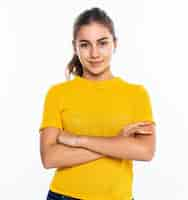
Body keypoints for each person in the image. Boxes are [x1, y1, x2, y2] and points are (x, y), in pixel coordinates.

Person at [39, 7, 157, 200]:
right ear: (74, 47)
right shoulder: (57, 93)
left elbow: (145, 151)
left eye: (102, 43)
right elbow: (50, 157)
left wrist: (79, 141)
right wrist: (119, 143)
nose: (94, 53)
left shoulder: (136, 94)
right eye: (85, 45)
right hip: (64, 196)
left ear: (115, 43)